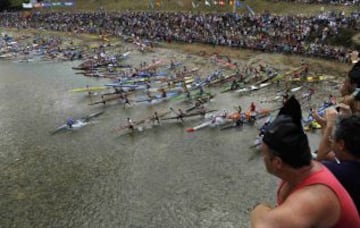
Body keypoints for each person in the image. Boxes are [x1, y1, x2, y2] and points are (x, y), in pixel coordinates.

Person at [250, 96, 360, 227]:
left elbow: (264, 224)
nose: (263, 159)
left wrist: (259, 208)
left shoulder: (314, 197)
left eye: (264, 155)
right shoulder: (301, 171)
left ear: (277, 163)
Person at [315, 107, 360, 214]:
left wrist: (330, 125)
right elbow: (328, 153)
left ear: (341, 145)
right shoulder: (351, 164)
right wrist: (325, 126)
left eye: (333, 139)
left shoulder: (341, 172)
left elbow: (318, 162)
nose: (331, 142)